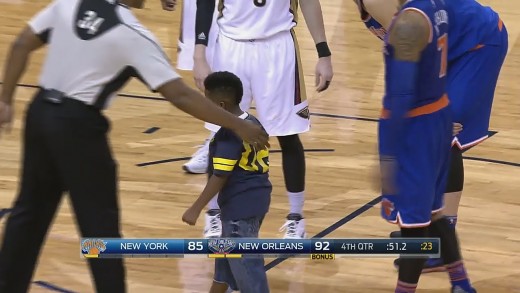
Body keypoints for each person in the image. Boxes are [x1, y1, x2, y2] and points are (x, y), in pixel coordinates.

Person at [0, 0, 269, 291]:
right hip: (78, 128)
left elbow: (20, 44)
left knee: (27, 215)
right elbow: (180, 96)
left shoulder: (69, 4)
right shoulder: (133, 33)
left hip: (39, 114)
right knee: (100, 231)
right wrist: (238, 124)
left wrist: (5, 99)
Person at [355, 0, 509, 272]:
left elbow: (414, 52)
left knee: (444, 137)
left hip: (478, 44)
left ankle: (440, 243)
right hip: (454, 48)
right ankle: (425, 230)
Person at [191, 0, 334, 240]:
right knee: (221, 135)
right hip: (230, 46)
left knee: (288, 135)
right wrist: (199, 54)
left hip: (278, 47)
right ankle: (213, 213)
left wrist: (324, 53)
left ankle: (296, 218)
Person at [378, 0, 477, 292]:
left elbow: (402, 94)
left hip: (413, 128)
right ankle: (461, 284)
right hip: (436, 114)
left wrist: (388, 155)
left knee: (413, 225)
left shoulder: (409, 23)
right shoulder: (437, 6)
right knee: (435, 213)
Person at [182, 71, 271, 293]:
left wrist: (195, 208)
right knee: (223, 267)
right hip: (256, 201)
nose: (203, 107)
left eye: (206, 102)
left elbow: (220, 176)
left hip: (239, 209)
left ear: (221, 105)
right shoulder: (252, 122)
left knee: (249, 274)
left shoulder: (229, 134)